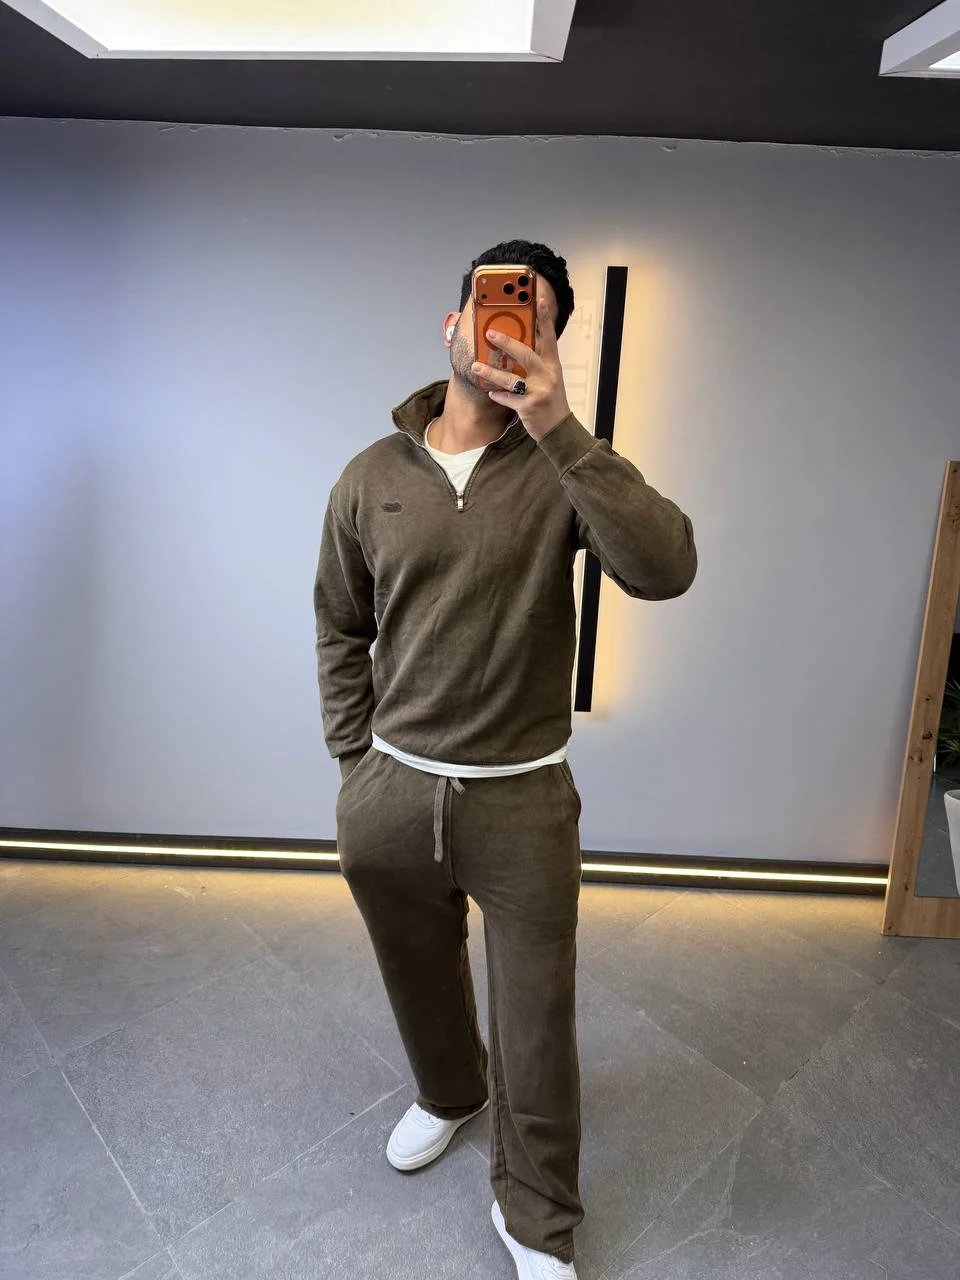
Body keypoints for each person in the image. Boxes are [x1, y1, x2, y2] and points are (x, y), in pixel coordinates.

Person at [313, 239, 697, 1278]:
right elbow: (340, 623)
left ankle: (536, 1217)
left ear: (549, 346)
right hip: (391, 788)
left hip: (521, 795)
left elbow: (666, 567)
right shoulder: (370, 474)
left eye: (534, 322)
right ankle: (449, 1090)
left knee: (535, 1020)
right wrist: (354, 762)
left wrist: (560, 427)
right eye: (490, 309)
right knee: (417, 974)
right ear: (453, 325)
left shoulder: (563, 468)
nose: (504, 332)